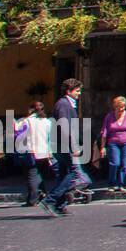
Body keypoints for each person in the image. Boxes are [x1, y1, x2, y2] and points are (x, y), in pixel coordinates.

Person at [41, 79, 91, 217]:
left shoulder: (66, 104)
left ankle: (60, 205)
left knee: (63, 174)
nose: (80, 93)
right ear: (69, 91)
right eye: (77, 90)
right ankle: (49, 200)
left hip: (61, 144)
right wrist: (73, 146)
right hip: (63, 145)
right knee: (72, 173)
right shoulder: (63, 104)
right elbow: (65, 126)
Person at [14, 101, 53, 207]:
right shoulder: (47, 121)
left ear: (31, 110)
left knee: (31, 175)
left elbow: (18, 132)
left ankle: (32, 199)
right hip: (44, 151)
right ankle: (43, 194)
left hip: (31, 151)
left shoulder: (27, 121)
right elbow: (49, 137)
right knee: (39, 174)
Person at [99, 96, 126, 193]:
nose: (121, 109)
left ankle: (122, 184)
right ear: (115, 106)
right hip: (113, 143)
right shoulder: (109, 117)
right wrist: (102, 147)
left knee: (124, 164)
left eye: (123, 107)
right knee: (115, 163)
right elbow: (104, 133)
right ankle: (112, 184)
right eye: (119, 107)